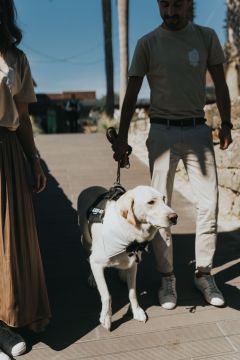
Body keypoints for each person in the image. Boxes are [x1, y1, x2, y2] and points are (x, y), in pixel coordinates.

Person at [112, 0, 233, 311]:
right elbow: (131, 95)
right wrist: (122, 139)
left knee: (209, 203)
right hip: (162, 132)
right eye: (165, 4)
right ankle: (167, 278)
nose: (171, 11)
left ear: (188, 3)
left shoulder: (206, 38)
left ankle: (203, 273)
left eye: (177, 4)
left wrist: (228, 123)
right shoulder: (147, 44)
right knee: (160, 205)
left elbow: (221, 86)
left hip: (197, 130)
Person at [0, 0, 51, 359]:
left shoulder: (14, 58)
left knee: (8, 242)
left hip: (6, 153)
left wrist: (34, 160)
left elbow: (22, 115)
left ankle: (7, 319)